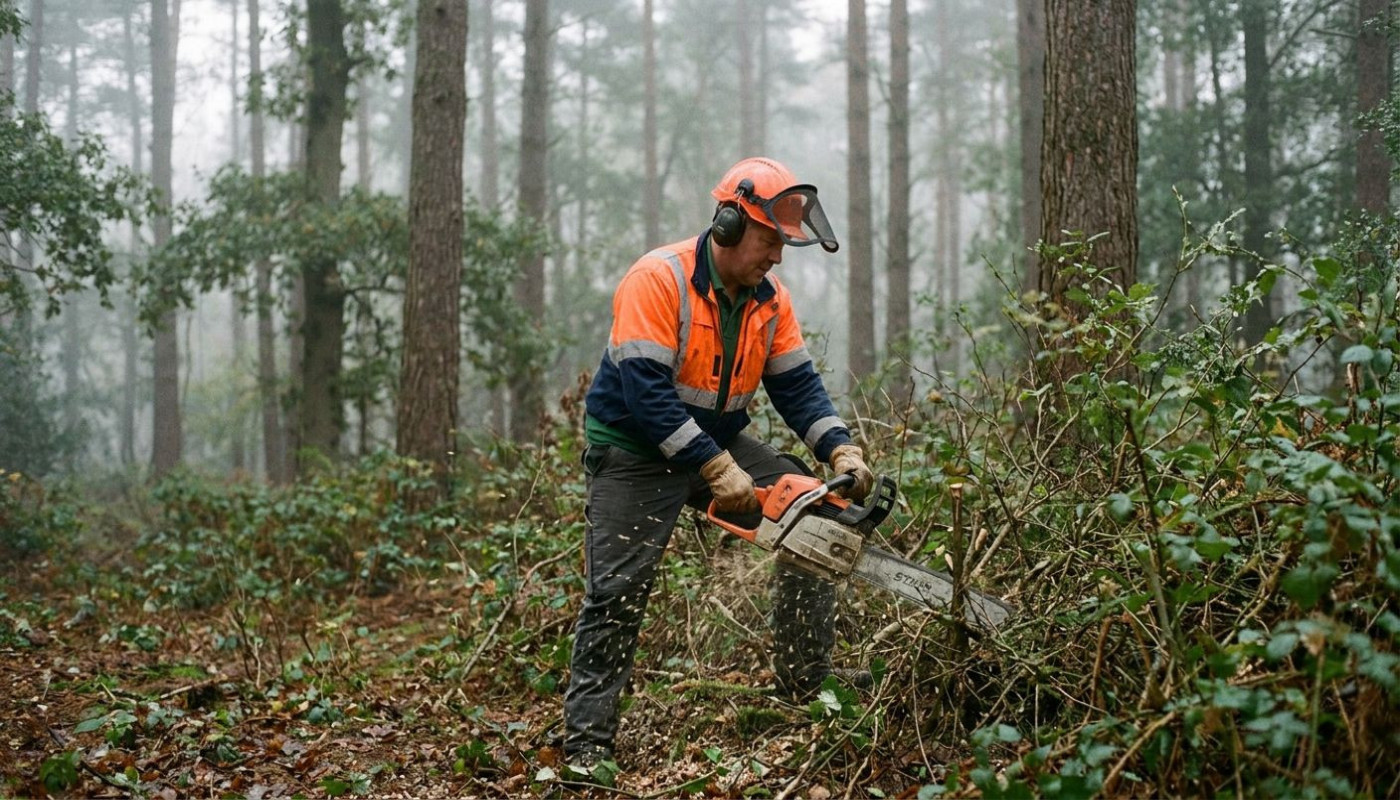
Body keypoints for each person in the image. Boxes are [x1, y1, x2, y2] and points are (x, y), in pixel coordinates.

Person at [562, 156, 875, 770]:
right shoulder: (658, 278)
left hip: (716, 441)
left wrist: (838, 445)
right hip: (632, 448)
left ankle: (806, 683)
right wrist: (711, 466)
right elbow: (645, 393)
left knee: (817, 522)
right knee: (618, 591)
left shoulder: (769, 299)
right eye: (768, 241)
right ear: (729, 225)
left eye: (783, 245)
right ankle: (586, 744)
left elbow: (798, 386)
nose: (777, 257)